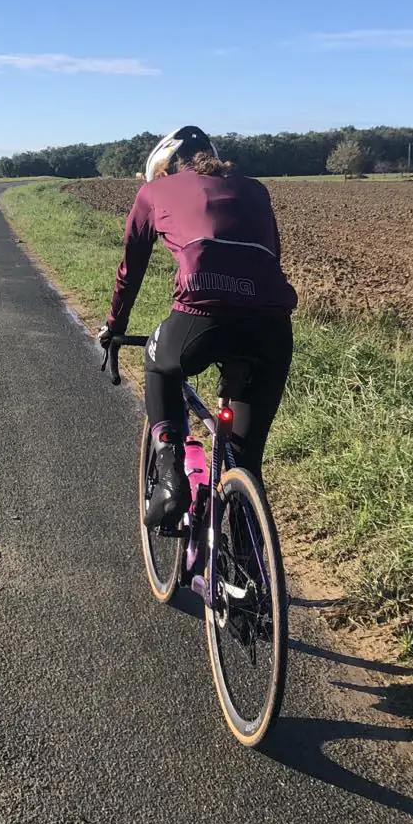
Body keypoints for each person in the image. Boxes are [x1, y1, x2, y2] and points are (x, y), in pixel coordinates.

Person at [99, 125, 297, 528]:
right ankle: (246, 565)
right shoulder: (256, 190)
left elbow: (129, 270)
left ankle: (171, 479)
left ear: (164, 168)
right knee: (245, 461)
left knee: (159, 360)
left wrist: (114, 326)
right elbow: (271, 256)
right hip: (272, 329)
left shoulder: (153, 192)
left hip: (202, 317)